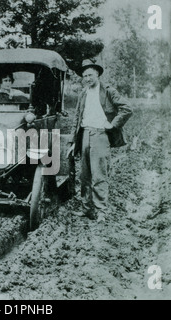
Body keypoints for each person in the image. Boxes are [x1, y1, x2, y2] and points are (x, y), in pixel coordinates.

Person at [67, 58, 132, 223]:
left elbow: (127, 109)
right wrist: (74, 141)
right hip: (85, 136)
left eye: (90, 75)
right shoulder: (83, 93)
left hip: (100, 136)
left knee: (99, 175)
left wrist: (112, 125)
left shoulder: (108, 91)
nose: (87, 78)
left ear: (97, 74)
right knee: (84, 176)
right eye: (85, 76)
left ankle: (101, 211)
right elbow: (77, 118)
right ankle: (86, 209)